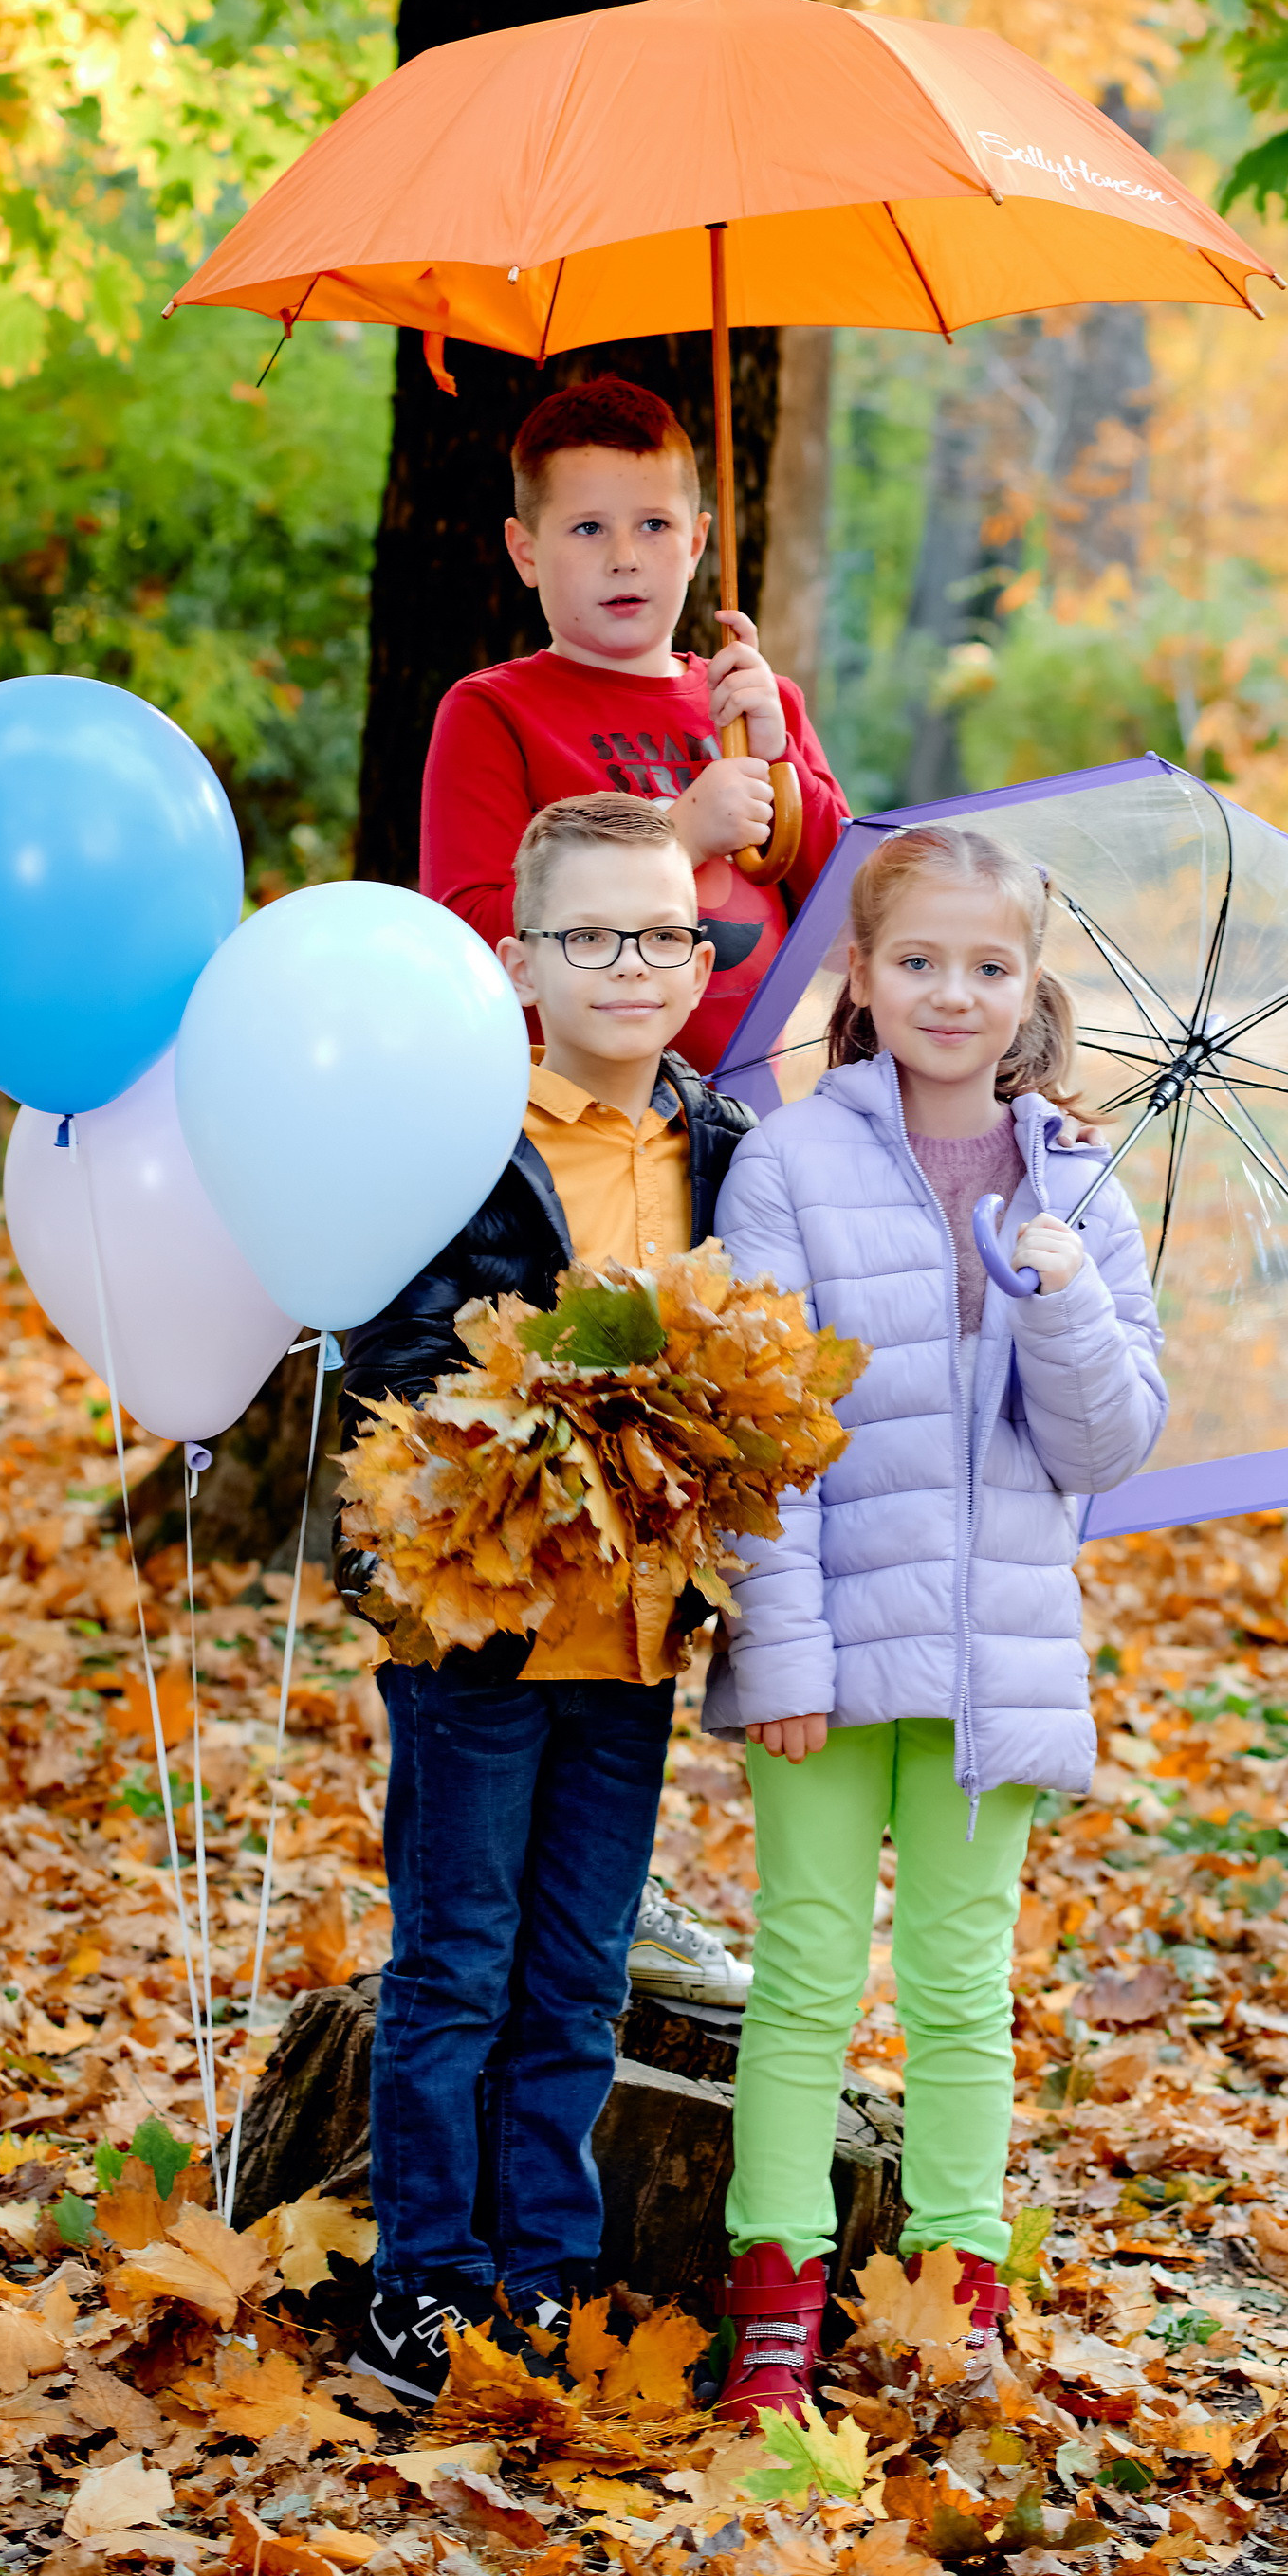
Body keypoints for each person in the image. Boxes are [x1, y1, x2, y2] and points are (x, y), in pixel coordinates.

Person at [701, 820, 1168, 2419]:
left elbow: (1108, 1448)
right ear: (862, 976)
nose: (951, 995)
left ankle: (957, 2287)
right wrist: (782, 1657)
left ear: (1030, 988)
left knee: (967, 1983)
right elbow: (762, 1438)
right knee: (811, 1970)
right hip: (825, 1648)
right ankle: (776, 2289)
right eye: (917, 962)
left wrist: (1065, 1295)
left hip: (998, 1655)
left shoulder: (1077, 1185)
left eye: (987, 967)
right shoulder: (788, 1163)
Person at [335, 792, 756, 2403]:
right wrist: (557, 1392)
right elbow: (392, 1355)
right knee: (458, 1959)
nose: (635, 964)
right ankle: (421, 2281)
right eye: (593, 935)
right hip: (483, 1631)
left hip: (634, 1631)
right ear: (519, 960)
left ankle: (542, 2271)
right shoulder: (466, 1137)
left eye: (666, 932)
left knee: (578, 1971)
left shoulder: (714, 1141)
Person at [419, 374, 849, 1078]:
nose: (625, 555)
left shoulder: (760, 706)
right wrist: (677, 838)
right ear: (525, 552)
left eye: (655, 524)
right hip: (569, 1113)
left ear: (697, 540)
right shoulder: (494, 712)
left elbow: (850, 930)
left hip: (744, 1114)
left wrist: (783, 761)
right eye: (588, 528)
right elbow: (472, 938)